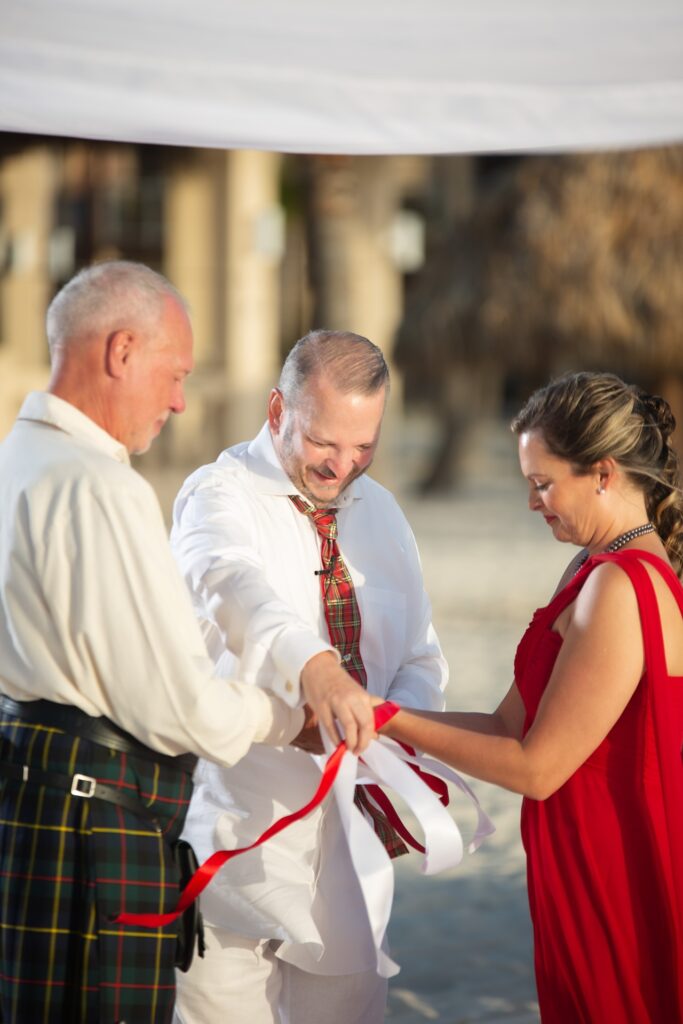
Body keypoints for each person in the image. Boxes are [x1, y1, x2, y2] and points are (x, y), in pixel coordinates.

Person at [0, 263, 374, 1024]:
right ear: (121, 351)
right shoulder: (100, 486)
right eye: (173, 374)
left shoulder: (16, 459)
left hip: (31, 789)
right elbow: (182, 709)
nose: (178, 400)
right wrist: (288, 717)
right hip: (94, 819)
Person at [374, 371, 683, 1022]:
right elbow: (504, 723)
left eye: (542, 484)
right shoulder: (592, 572)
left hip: (613, 874)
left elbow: (536, 769)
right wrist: (377, 722)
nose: (531, 503)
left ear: (602, 473)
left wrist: (383, 718)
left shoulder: (620, 588)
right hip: (574, 861)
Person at [169, 329, 447, 1024]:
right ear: (276, 412)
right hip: (236, 837)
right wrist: (316, 670)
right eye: (325, 442)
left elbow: (418, 654)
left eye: (364, 446)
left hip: (350, 853)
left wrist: (390, 734)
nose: (343, 465)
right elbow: (227, 582)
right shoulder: (216, 494)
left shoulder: (381, 512)